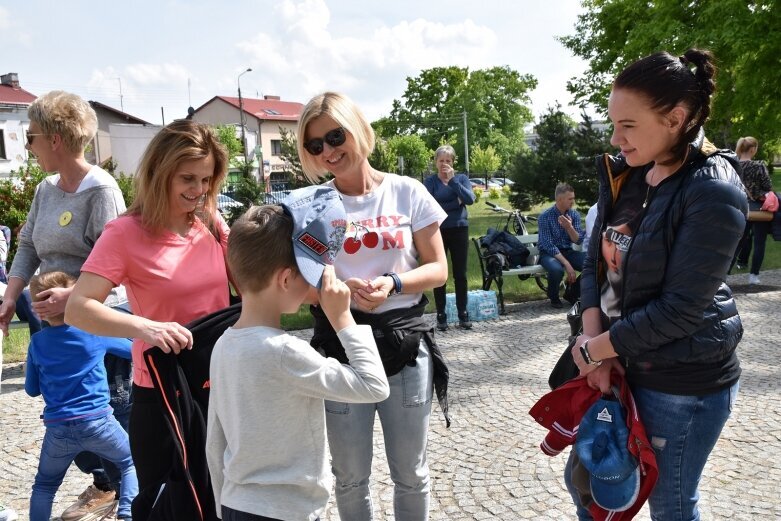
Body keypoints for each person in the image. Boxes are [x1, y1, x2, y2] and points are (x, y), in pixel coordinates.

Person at [568, 49, 746, 520]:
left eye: (628, 124)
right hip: (618, 359)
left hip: (682, 383)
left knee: (669, 507)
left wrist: (598, 350)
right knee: (590, 487)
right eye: (613, 122)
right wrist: (591, 342)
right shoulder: (627, 173)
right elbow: (594, 264)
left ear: (676, 118)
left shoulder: (714, 188)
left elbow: (682, 308)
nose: (614, 137)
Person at [65, 119, 230, 520]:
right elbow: (79, 307)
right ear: (159, 173)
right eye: (187, 178)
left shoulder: (208, 221)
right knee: (167, 500)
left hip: (220, 380)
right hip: (161, 390)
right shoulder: (125, 233)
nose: (198, 190)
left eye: (206, 179)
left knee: (219, 493)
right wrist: (146, 327)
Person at [297, 91, 449, 520]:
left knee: (412, 474)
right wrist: (336, 295)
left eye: (334, 135)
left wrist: (394, 282)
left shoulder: (407, 192)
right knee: (348, 477)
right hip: (340, 348)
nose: (328, 151)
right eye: (315, 145)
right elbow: (300, 286)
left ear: (357, 129)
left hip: (403, 345)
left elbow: (438, 269)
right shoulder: (313, 206)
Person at [206, 192, 390, 521]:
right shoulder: (285, 352)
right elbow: (374, 385)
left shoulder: (223, 345)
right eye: (310, 273)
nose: (316, 282)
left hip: (237, 504)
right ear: (287, 278)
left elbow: (214, 442)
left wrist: (223, 507)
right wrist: (342, 318)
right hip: (286, 511)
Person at [0, 91, 130, 519]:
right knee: (65, 418)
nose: (30, 146)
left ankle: (125, 489)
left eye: (32, 137)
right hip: (50, 318)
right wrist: (10, 296)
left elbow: (118, 266)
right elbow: (28, 245)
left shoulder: (102, 191)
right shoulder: (45, 189)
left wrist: (72, 297)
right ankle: (107, 483)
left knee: (109, 411)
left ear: (54, 139)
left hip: (95, 318)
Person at [25, 272, 137, 521]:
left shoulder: (37, 342)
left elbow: (31, 390)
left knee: (44, 485)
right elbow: (133, 351)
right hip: (99, 422)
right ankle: (128, 514)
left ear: (39, 310)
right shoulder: (93, 333)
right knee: (129, 463)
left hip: (58, 429)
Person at [423, 145, 476, 331]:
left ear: (453, 163)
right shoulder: (430, 182)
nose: (444, 164)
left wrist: (453, 182)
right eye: (441, 160)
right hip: (438, 231)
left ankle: (463, 313)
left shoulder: (460, 179)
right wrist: (455, 202)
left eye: (448, 161)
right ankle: (441, 314)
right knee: (440, 275)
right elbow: (428, 206)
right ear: (436, 162)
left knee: (460, 274)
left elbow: (470, 199)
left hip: (460, 229)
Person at [537, 183, 586, 308]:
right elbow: (548, 245)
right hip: (549, 254)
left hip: (567, 251)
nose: (573, 201)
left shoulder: (574, 215)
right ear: (559, 199)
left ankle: (572, 292)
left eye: (573, 198)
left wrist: (569, 227)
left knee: (592, 264)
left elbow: (578, 240)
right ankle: (553, 296)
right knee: (556, 270)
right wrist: (567, 264)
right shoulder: (545, 216)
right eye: (570, 199)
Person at [733, 136, 773, 284]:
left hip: (739, 207)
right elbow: (768, 187)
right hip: (758, 209)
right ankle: (753, 276)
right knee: (759, 243)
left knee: (737, 242)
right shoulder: (759, 166)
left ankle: (724, 275)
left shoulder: (733, 165)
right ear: (752, 149)